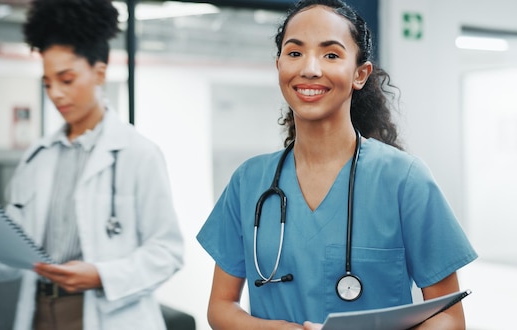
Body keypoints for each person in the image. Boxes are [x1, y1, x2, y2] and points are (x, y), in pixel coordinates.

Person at [195, 0, 477, 329]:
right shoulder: (248, 182)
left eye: (331, 54)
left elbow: (449, 317)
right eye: (295, 52)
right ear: (279, 66)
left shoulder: (404, 180)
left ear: (360, 74)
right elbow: (220, 307)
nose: (310, 68)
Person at [0, 0, 184, 329]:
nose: (56, 93)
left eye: (66, 80)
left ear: (99, 72)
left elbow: (167, 252)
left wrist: (100, 275)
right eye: (47, 83)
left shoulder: (137, 153)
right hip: (39, 310)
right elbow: (18, 254)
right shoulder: (36, 157)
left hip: (106, 314)